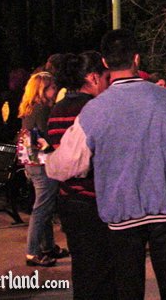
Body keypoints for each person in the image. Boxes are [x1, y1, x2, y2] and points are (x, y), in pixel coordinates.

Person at [45, 29, 166, 300]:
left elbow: (66, 164)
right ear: (137, 58)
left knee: (128, 289)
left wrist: (46, 162)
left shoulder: (95, 110)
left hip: (123, 213)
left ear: (104, 62)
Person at [43, 51, 114, 299]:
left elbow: (55, 148)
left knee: (83, 268)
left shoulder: (57, 109)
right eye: (107, 79)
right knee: (104, 271)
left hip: (68, 198)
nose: (109, 85)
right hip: (94, 198)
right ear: (94, 78)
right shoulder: (93, 110)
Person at [18, 71, 68, 267]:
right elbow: (47, 137)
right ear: (43, 89)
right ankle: (32, 252)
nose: (55, 91)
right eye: (52, 87)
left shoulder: (30, 108)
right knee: (42, 208)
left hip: (31, 162)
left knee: (45, 207)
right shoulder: (43, 109)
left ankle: (48, 246)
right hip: (43, 163)